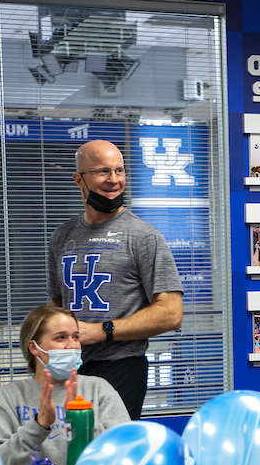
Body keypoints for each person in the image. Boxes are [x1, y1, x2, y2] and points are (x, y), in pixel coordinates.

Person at [47, 140, 183, 420]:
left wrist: (100, 331)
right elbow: (57, 305)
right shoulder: (62, 236)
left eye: (119, 171)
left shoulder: (144, 237)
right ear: (79, 179)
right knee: (67, 446)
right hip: (70, 366)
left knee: (109, 452)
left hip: (121, 366)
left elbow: (171, 313)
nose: (114, 181)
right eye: (103, 172)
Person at [0, 304, 129, 465]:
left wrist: (83, 420)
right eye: (60, 338)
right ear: (34, 347)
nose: (72, 346)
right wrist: (39, 425)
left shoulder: (99, 389)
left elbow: (124, 455)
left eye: (75, 337)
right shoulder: (9, 397)